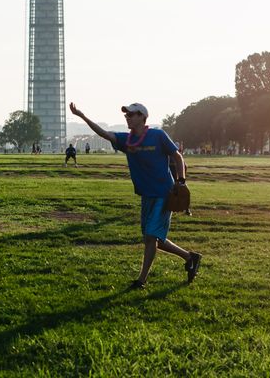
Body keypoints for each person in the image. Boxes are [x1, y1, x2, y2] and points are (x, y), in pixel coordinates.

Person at [69, 102, 202, 289]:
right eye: (126, 115)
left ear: (142, 116)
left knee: (150, 238)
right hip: (146, 195)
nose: (127, 117)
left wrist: (181, 181)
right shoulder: (127, 140)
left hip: (164, 193)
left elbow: (177, 157)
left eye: (131, 114)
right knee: (154, 239)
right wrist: (82, 116)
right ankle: (190, 257)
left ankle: (141, 281)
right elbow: (104, 134)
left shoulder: (158, 135)